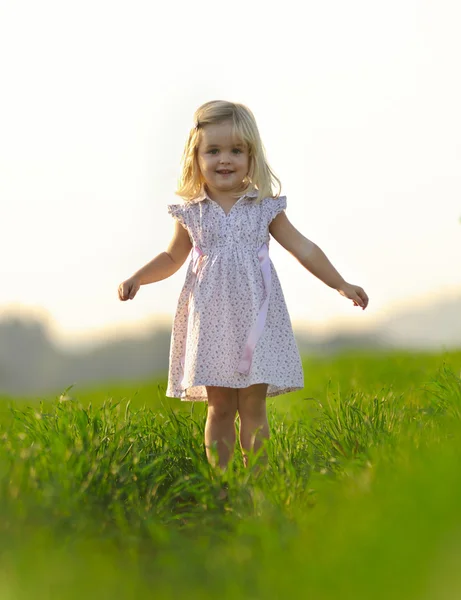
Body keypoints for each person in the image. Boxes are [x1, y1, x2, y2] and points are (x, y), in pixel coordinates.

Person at [118, 100, 369, 471]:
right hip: (212, 321)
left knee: (253, 405)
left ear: (252, 156)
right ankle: (222, 484)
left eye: (236, 150)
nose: (225, 159)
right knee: (220, 406)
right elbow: (172, 257)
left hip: (256, 316)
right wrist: (138, 276)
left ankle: (259, 481)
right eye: (214, 150)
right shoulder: (193, 211)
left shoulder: (262, 206)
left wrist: (340, 283)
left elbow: (303, 247)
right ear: (196, 157)